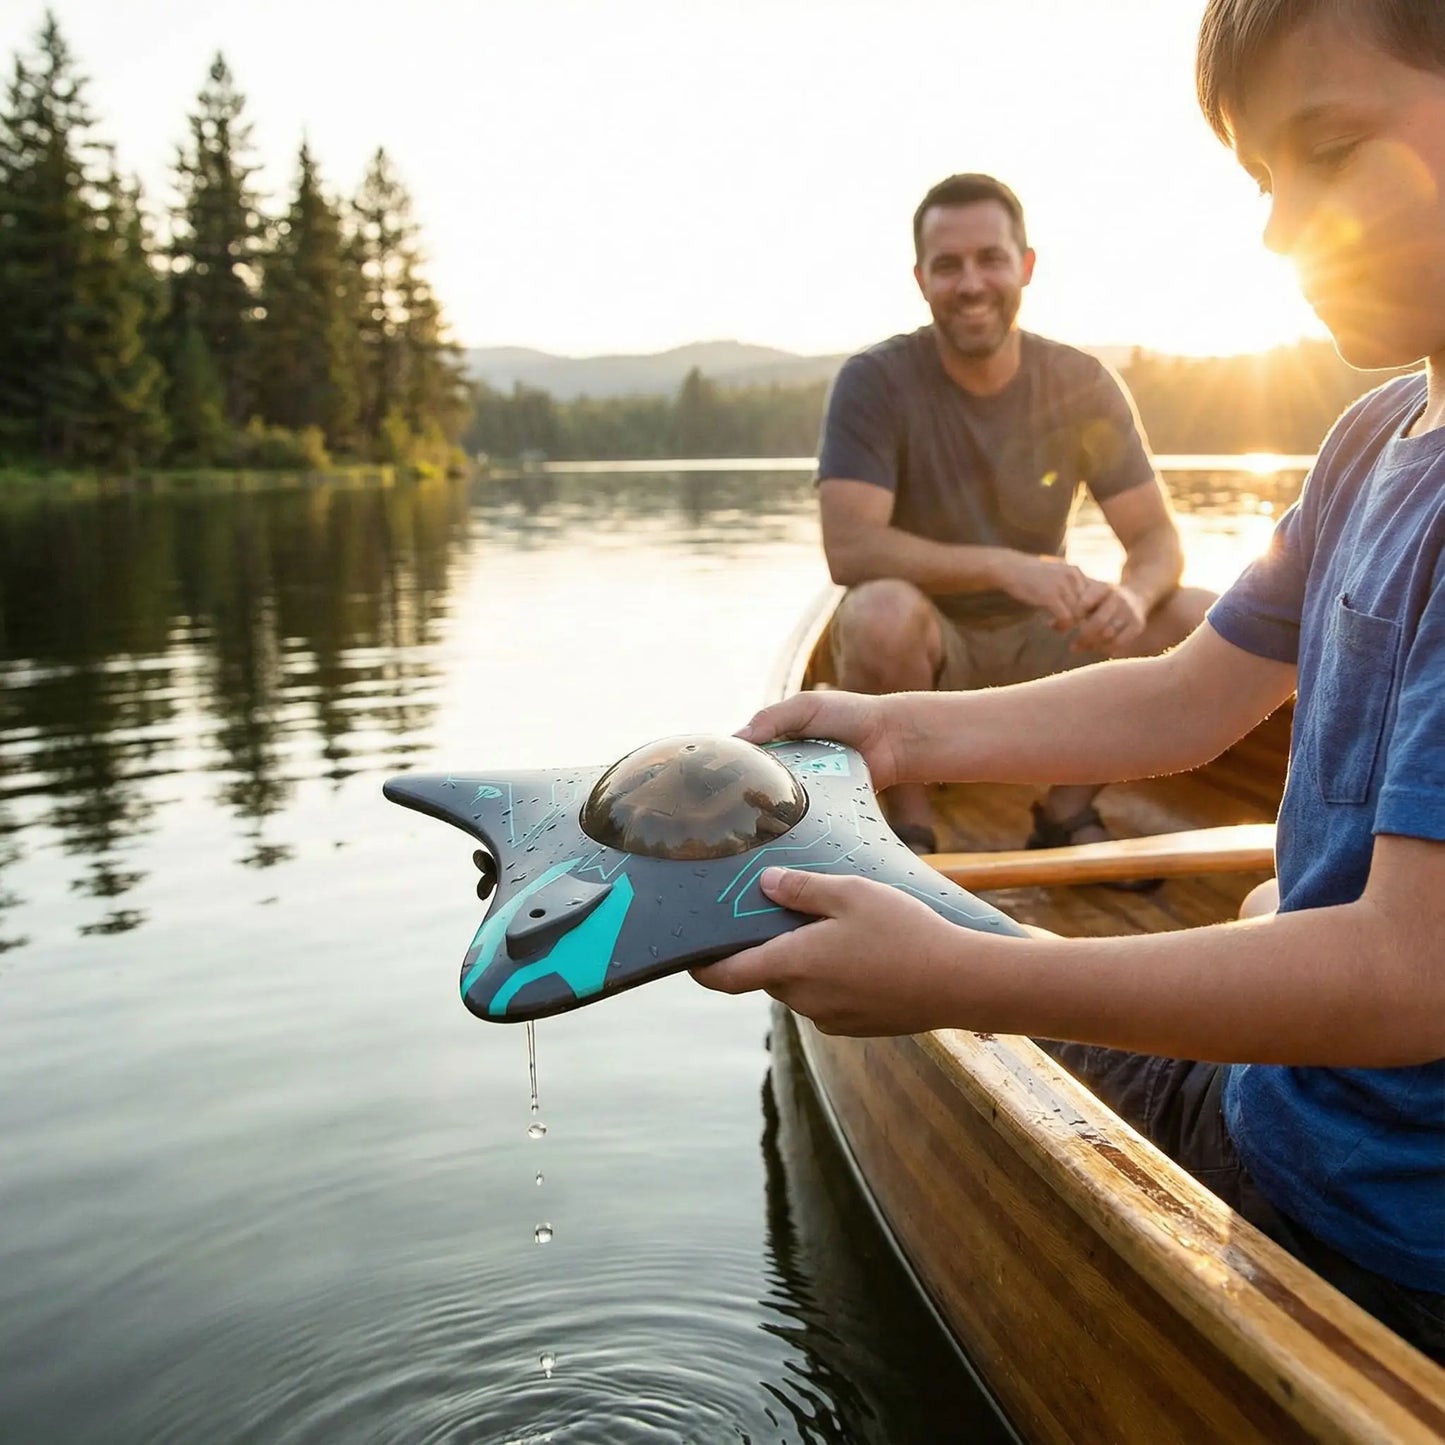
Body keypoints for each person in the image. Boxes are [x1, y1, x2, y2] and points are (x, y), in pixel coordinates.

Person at [695, 0, 1445, 1361]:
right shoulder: (1371, 438)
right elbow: (1183, 699)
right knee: (1276, 891)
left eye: (1329, 146)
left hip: (1375, 1227)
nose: (1281, 231)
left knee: (1208, 948)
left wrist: (977, 974)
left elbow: (1405, 974)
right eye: (1265, 179)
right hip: (1308, 1114)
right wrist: (893, 730)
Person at [815, 172, 1212, 860]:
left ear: (1024, 266)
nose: (970, 283)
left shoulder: (1080, 382)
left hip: (1048, 647)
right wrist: (1005, 567)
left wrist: (1132, 595)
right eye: (948, 265)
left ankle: (1063, 811)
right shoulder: (874, 382)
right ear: (920, 280)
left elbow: (1153, 537)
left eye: (990, 259)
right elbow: (849, 549)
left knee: (1195, 616)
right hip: (930, 648)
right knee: (877, 611)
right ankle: (910, 827)